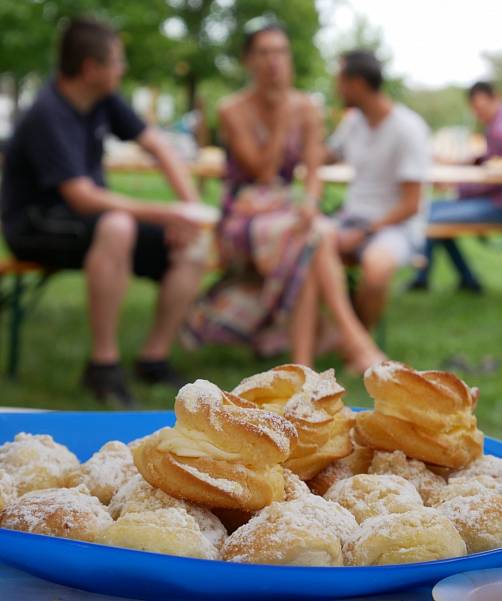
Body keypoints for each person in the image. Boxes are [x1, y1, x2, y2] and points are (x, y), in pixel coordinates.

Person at [0, 17, 205, 405]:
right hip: (34, 225)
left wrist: (191, 214)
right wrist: (164, 213)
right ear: (92, 69)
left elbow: (158, 146)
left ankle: (153, 358)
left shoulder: (104, 99)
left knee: (191, 244)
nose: (123, 69)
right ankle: (103, 366)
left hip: (90, 223)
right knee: (117, 226)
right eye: (117, 61)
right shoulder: (48, 111)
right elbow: (81, 197)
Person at [181, 19, 384, 372]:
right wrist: (279, 118)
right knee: (312, 238)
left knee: (310, 235)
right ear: (248, 61)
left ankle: (302, 366)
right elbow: (261, 170)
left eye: (280, 52)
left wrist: (310, 202)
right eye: (264, 53)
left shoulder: (308, 108)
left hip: (288, 212)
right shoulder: (233, 109)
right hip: (244, 215)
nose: (273, 61)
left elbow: (313, 171)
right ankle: (355, 339)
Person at [328, 50, 431, 329]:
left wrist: (362, 233)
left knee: (375, 272)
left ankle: (357, 341)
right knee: (304, 250)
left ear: (358, 83)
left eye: (340, 80)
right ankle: (325, 334)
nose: (336, 87)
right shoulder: (353, 122)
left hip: (395, 225)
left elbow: (411, 205)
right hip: (352, 218)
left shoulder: (408, 128)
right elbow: (328, 154)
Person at [407, 81, 502, 293]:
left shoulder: (501, 129)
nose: (478, 113)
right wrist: (459, 166)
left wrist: (455, 186)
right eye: (475, 109)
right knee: (433, 212)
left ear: (496, 98)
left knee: (431, 215)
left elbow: (494, 179)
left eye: (481, 108)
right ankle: (466, 279)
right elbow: (490, 161)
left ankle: (425, 277)